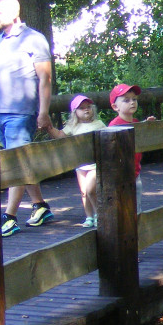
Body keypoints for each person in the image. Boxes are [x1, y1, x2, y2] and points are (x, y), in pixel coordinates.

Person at [0, 0, 54, 237]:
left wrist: (43, 112)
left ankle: (9, 217)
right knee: (21, 163)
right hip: (1, 112)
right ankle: (40, 206)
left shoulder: (34, 39)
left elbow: (45, 78)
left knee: (15, 164)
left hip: (22, 113)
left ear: (14, 12)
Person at [46, 95, 106, 228]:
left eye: (88, 107)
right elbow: (60, 136)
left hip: (95, 163)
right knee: (84, 192)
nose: (86, 110)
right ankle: (89, 216)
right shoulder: (73, 126)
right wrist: (48, 127)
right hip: (80, 164)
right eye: (82, 108)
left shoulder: (99, 124)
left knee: (91, 190)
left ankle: (98, 214)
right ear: (75, 112)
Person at [108, 83, 156, 213]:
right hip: (120, 175)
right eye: (126, 100)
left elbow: (142, 139)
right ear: (115, 106)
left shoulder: (135, 122)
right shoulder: (114, 126)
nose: (132, 103)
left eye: (134, 99)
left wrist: (147, 126)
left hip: (135, 173)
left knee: (136, 208)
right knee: (123, 209)